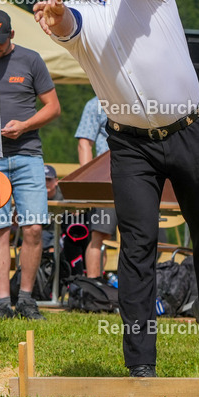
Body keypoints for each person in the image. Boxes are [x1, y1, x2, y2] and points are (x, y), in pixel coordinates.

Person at [33, 0, 199, 378]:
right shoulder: (78, 13)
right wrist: (53, 15)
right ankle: (141, 362)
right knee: (137, 247)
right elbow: (65, 26)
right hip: (130, 146)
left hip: (188, 130)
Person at [0, 8, 61, 321]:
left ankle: (26, 299)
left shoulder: (31, 60)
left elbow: (53, 107)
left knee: (34, 228)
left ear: (12, 35)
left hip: (28, 154)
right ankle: (2, 302)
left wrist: (24, 126)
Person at [76, 95, 117, 279]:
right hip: (105, 180)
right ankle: (93, 287)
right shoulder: (96, 104)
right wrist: (88, 182)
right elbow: (84, 143)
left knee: (136, 237)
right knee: (100, 236)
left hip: (137, 176)